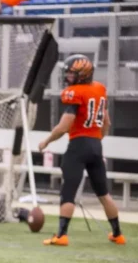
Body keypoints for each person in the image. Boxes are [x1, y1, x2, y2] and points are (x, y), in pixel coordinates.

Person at [39, 55, 125, 246]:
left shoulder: (74, 93)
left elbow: (64, 126)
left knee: (68, 191)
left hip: (78, 145)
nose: (68, 76)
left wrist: (46, 141)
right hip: (96, 144)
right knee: (104, 193)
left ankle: (61, 235)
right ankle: (117, 234)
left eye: (71, 73)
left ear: (83, 74)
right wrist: (96, 140)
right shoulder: (100, 89)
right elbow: (107, 122)